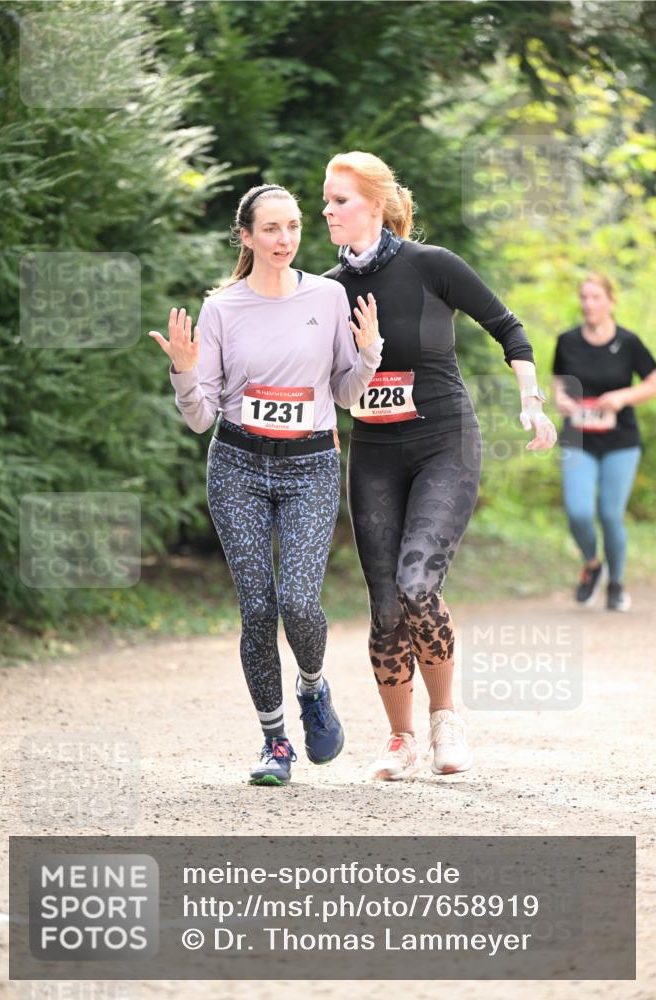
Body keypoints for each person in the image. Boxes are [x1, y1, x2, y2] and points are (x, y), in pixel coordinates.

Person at [322, 151, 557, 781]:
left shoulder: (431, 266)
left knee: (418, 582)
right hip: (374, 452)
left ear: (373, 203)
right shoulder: (324, 292)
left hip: (442, 444)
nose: (327, 210)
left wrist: (531, 403)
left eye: (339, 199)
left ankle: (445, 715)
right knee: (384, 607)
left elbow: (508, 328)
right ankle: (400, 739)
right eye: (325, 200)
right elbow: (314, 378)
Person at [150, 184, 382, 785]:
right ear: (246, 236)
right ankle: (275, 743)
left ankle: (312, 688)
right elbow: (203, 417)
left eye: (294, 227)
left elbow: (346, 394)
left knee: (299, 601)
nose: (285, 239)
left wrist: (369, 353)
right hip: (238, 466)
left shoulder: (328, 296)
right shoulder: (223, 308)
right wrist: (183, 370)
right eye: (272, 229)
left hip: (310, 465)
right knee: (257, 608)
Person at [552, 272, 656, 611]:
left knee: (611, 515)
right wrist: (562, 400)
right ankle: (592, 565)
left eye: (596, 297)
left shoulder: (628, 342)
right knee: (579, 512)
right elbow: (558, 382)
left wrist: (624, 396)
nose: (589, 304)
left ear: (611, 300)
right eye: (584, 297)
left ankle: (616, 583)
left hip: (620, 441)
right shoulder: (567, 341)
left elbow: (652, 382)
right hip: (577, 437)